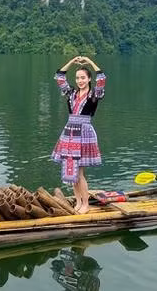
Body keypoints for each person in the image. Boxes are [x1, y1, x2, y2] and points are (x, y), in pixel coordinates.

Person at [51, 56, 106, 214]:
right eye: (77, 78)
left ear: (89, 79)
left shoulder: (95, 94)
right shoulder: (71, 93)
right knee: (72, 171)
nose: (80, 81)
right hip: (69, 132)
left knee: (80, 172)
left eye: (83, 78)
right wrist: (72, 61)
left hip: (84, 132)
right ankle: (78, 202)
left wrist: (89, 62)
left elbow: (101, 77)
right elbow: (60, 76)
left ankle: (86, 204)